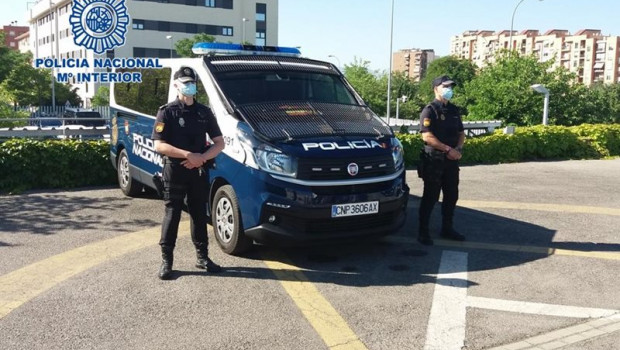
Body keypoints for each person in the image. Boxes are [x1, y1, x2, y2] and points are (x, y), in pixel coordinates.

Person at [152, 66, 225, 280]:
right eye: (184, 82)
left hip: (198, 170)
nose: (189, 86)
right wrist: (187, 155)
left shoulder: (204, 112)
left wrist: (200, 158)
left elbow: (219, 143)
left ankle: (202, 257)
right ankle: (167, 261)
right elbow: (159, 144)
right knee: (172, 213)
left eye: (192, 82)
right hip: (174, 170)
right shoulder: (166, 111)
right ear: (176, 85)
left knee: (199, 214)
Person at [417, 75, 466, 246]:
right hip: (435, 160)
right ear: (436, 89)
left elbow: (461, 133)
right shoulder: (429, 110)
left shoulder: (453, 110)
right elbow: (427, 136)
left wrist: (458, 150)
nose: (449, 90)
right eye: (445, 86)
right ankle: (423, 231)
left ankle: (447, 228)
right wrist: (448, 149)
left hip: (451, 160)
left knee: (452, 195)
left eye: (451, 87)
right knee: (430, 197)